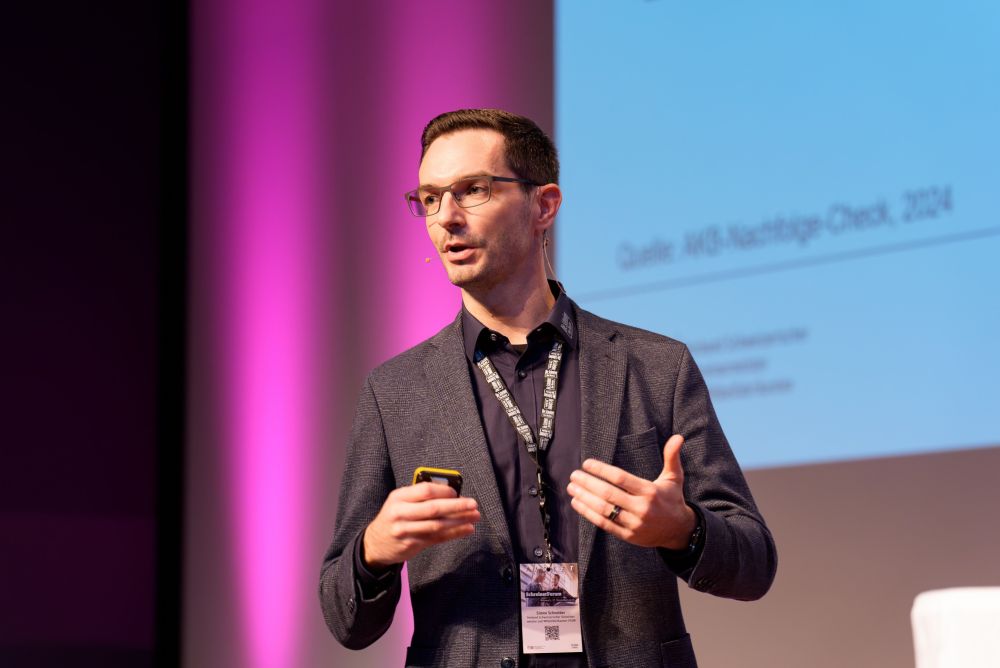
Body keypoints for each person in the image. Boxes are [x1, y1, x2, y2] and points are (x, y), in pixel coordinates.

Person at [319, 109, 777, 668]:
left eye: (472, 190)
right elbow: (344, 619)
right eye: (430, 198)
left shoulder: (656, 366)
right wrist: (374, 551)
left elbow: (754, 565)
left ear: (545, 205)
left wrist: (682, 529)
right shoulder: (395, 391)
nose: (446, 218)